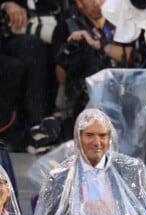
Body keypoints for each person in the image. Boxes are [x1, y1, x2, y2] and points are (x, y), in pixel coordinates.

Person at [32, 108, 146, 215]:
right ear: (78, 138)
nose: (97, 142)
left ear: (109, 138)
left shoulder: (131, 171)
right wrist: (83, 210)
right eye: (89, 135)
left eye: (102, 135)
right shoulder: (60, 177)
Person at [51, 0, 135, 138]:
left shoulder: (120, 25)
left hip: (122, 90)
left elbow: (130, 56)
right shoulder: (67, 28)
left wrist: (96, 45)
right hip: (85, 95)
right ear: (79, 2)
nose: (97, 3)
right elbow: (61, 77)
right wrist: (72, 53)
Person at [0, 0, 55, 153]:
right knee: (20, 59)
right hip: (7, 34)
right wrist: (5, 5)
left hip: (42, 30)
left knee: (35, 48)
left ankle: (39, 128)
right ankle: (31, 127)